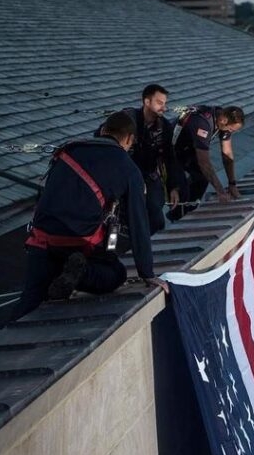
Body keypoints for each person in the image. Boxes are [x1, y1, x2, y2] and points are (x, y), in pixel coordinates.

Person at [13, 112, 168, 319]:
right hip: (78, 242)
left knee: (29, 302)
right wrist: (147, 273)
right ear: (129, 139)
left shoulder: (69, 150)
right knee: (115, 274)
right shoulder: (129, 169)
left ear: (103, 130)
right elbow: (138, 222)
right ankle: (81, 273)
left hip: (41, 241)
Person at [112, 84, 186, 235]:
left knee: (156, 220)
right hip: (123, 176)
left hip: (148, 177)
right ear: (147, 102)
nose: (164, 108)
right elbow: (103, 139)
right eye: (159, 103)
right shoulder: (127, 119)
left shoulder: (164, 126)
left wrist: (174, 187)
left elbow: (169, 157)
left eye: (164, 103)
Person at [168, 105, 245, 221]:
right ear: (224, 121)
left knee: (203, 178)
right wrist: (220, 191)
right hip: (170, 151)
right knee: (182, 186)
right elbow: (204, 162)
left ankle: (190, 211)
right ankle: (177, 217)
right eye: (231, 130)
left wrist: (232, 184)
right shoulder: (203, 123)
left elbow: (227, 155)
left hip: (187, 149)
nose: (230, 132)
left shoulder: (222, 120)